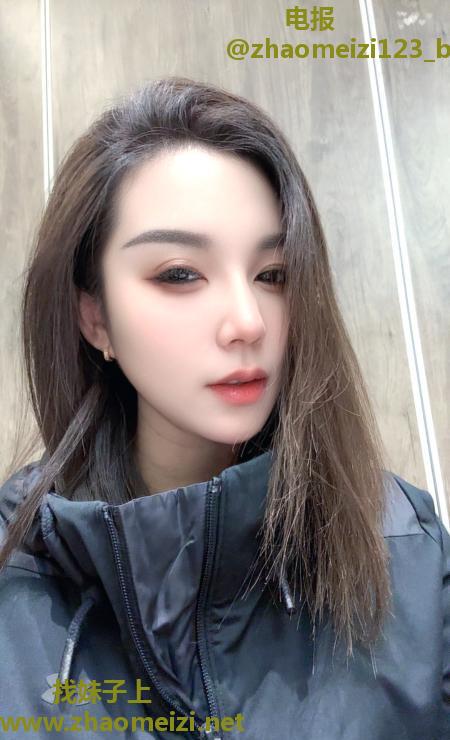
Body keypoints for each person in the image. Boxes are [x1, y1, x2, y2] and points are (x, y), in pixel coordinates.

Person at [0, 76, 448, 740]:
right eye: (180, 273)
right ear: (94, 317)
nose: (247, 321)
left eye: (273, 275)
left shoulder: (404, 546)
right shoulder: (17, 575)